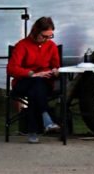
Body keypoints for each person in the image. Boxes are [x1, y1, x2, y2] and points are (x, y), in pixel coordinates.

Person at [7, 16, 61, 144]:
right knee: (36, 84)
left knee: (34, 92)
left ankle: (32, 131)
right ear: (35, 32)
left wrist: (55, 71)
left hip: (44, 83)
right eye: (44, 36)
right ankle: (46, 120)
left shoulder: (51, 46)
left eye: (50, 36)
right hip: (24, 82)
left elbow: (56, 66)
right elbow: (11, 68)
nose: (47, 39)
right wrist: (32, 74)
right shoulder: (22, 45)